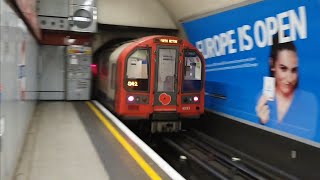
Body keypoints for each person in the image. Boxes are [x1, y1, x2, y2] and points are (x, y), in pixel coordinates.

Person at [255, 35, 318, 139]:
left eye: (294, 70)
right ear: (272, 64)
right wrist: (262, 123)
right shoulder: (261, 98)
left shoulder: (309, 100)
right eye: (283, 68)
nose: (289, 79)